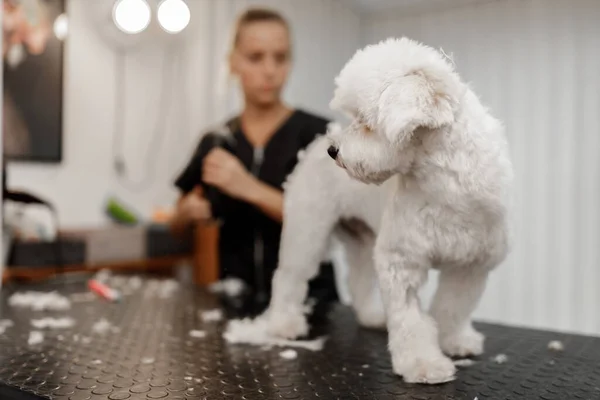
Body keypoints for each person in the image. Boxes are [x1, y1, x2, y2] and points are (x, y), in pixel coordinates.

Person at [170, 7, 338, 312]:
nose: (270, 70)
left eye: (281, 57)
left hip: (312, 307)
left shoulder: (320, 136)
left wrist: (247, 187)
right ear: (233, 62)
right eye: (256, 57)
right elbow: (176, 222)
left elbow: (329, 222)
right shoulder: (217, 140)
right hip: (235, 305)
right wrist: (187, 212)